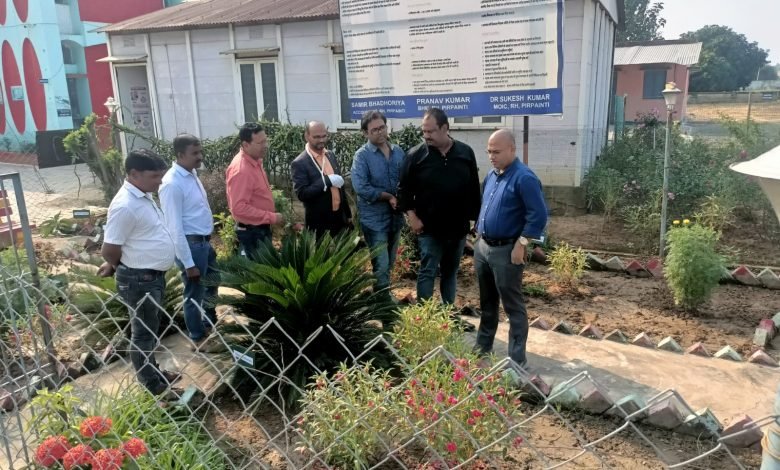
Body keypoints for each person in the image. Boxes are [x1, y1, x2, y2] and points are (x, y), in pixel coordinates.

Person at [98, 149, 181, 399]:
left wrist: (115, 264)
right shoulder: (125, 205)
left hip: (150, 277)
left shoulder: (142, 195)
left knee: (150, 330)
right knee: (143, 334)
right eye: (155, 176)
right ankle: (152, 386)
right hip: (139, 280)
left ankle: (154, 373)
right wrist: (115, 264)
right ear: (134, 174)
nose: (160, 181)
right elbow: (109, 248)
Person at [473, 129, 548, 369]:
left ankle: (516, 361)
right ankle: (482, 348)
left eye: (496, 152)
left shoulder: (524, 178)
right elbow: (485, 205)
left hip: (506, 251)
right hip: (483, 247)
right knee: (487, 303)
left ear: (512, 150)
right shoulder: (492, 175)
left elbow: (538, 215)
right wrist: (478, 231)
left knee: (513, 306)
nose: (491, 156)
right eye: (489, 152)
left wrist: (521, 243)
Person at [397, 108, 481, 304]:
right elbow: (403, 190)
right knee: (427, 270)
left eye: (431, 131)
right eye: (424, 131)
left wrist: (476, 220)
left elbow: (473, 188)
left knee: (450, 272)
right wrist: (413, 218)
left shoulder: (465, 153)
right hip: (429, 227)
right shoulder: (416, 156)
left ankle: (447, 313)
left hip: (457, 228)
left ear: (445, 128)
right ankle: (424, 315)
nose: (426, 136)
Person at [159, 134, 219, 351]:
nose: (200, 156)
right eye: (195, 153)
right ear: (180, 154)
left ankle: (209, 324)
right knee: (194, 293)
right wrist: (188, 263)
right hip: (191, 246)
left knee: (212, 283)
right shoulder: (172, 183)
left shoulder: (191, 174)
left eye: (200, 151)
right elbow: (174, 227)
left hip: (204, 243)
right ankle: (197, 336)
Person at [351, 110, 405, 298]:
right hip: (374, 220)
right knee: (381, 264)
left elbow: (406, 180)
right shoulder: (362, 156)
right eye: (374, 130)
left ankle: (382, 297)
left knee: (390, 262)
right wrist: (388, 197)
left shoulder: (398, 152)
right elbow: (361, 187)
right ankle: (383, 305)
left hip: (395, 217)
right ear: (365, 133)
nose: (380, 132)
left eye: (382, 127)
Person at [226, 123, 284, 259]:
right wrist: (272, 217)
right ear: (246, 145)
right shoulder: (241, 170)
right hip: (252, 232)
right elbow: (239, 208)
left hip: (258, 229)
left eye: (266, 141)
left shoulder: (254, 161)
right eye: (260, 143)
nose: (265, 145)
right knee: (259, 269)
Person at [291, 121, 352, 238]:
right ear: (306, 136)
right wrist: (325, 181)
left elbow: (341, 188)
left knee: (346, 250)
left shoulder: (330, 155)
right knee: (322, 251)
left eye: (324, 136)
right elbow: (302, 194)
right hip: (318, 222)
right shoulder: (300, 163)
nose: (321, 140)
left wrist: (348, 214)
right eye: (316, 137)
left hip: (339, 218)